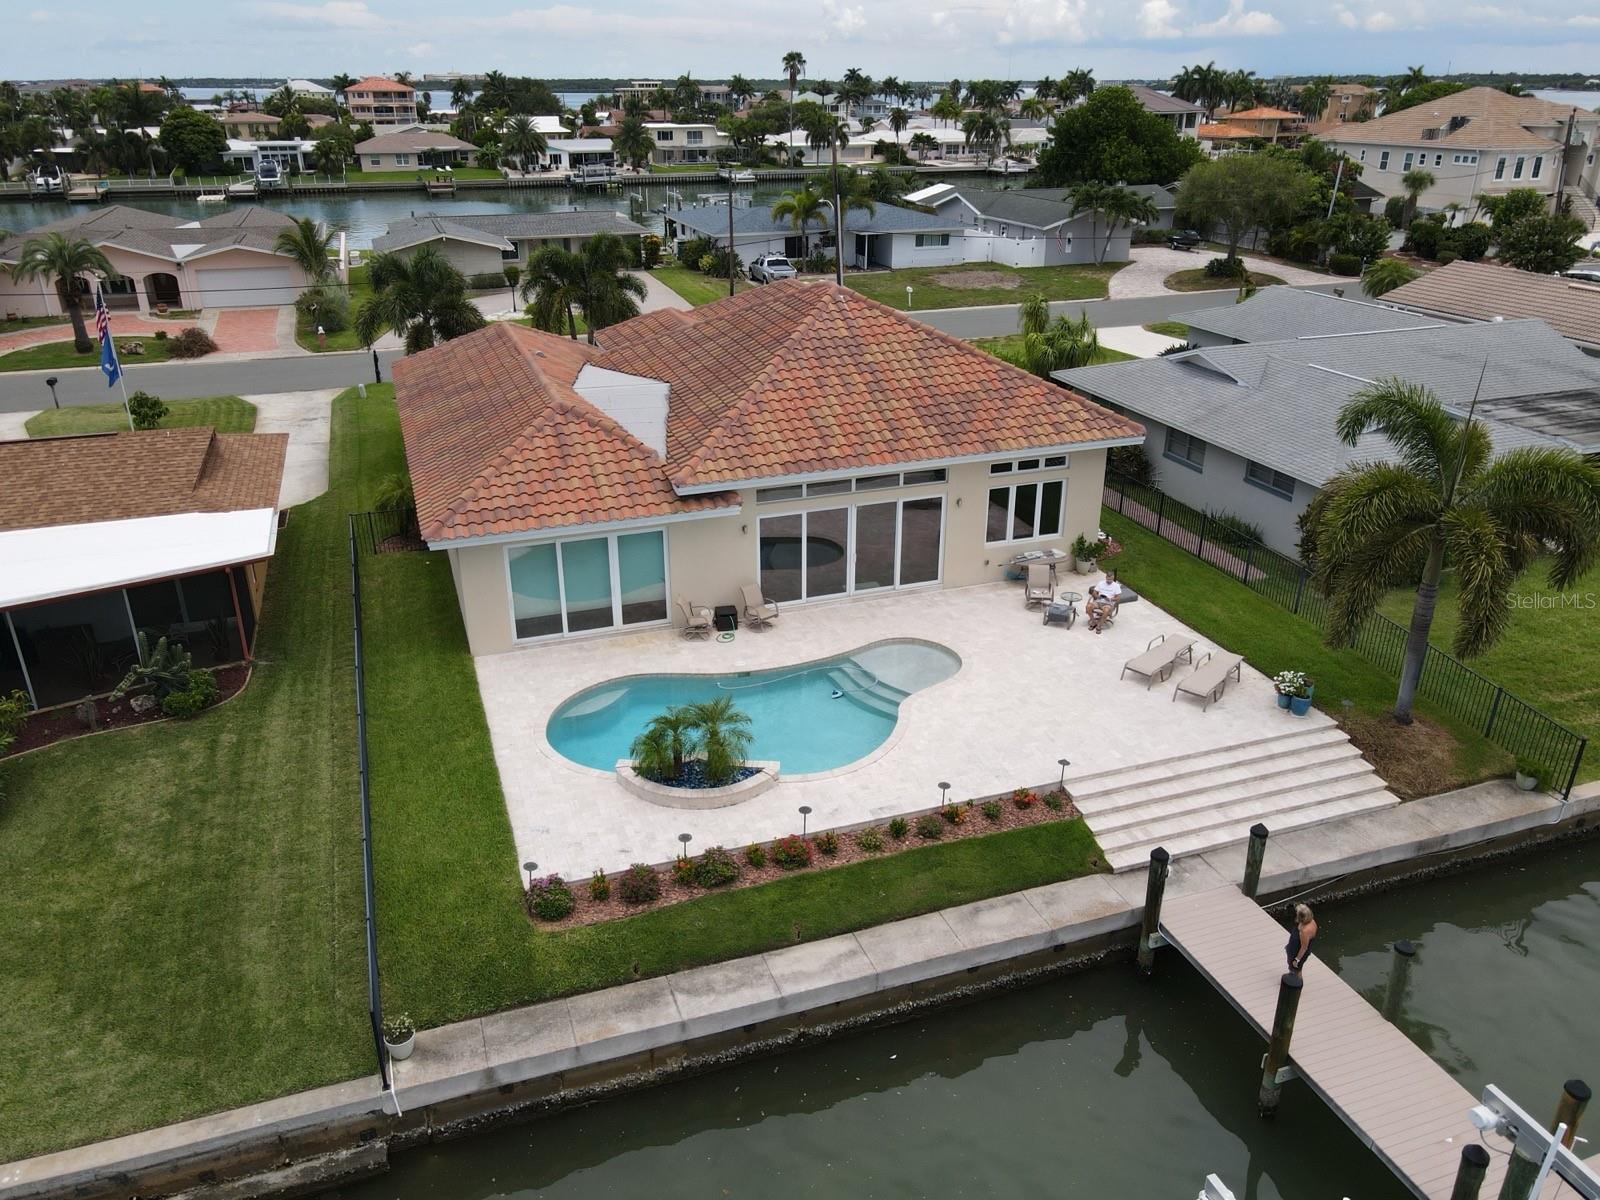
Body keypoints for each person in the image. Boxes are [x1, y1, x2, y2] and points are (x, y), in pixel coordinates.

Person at [1285, 903, 1317, 973]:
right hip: (1293, 946)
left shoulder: (1304, 931)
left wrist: (1297, 960)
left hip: (1297, 951)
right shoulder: (1310, 920)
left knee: (1296, 970)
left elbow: (1304, 947)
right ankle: (1291, 977)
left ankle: (1295, 982)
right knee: (1293, 968)